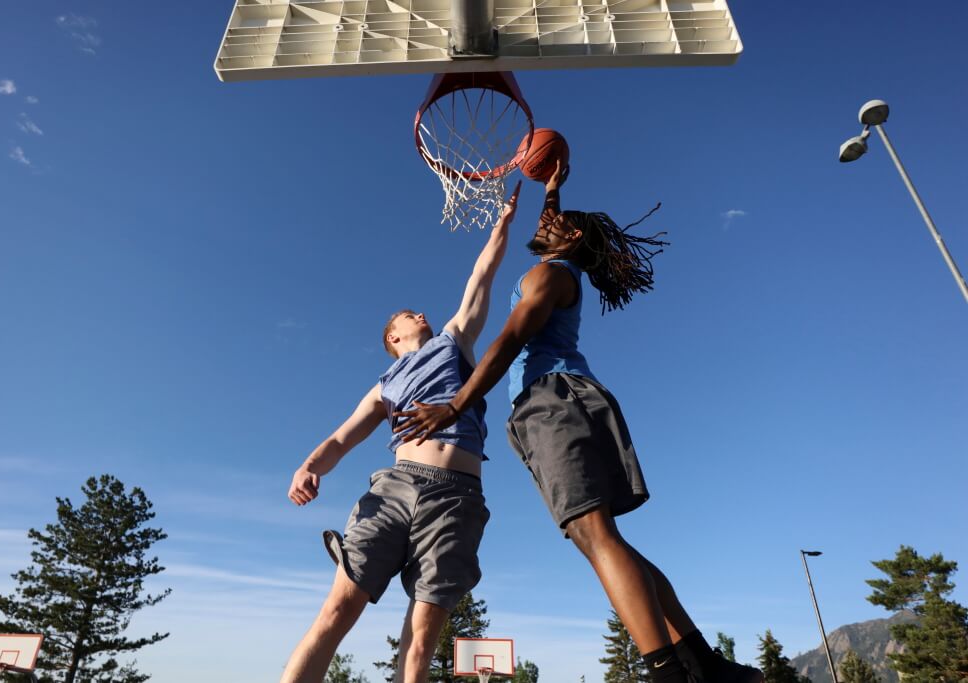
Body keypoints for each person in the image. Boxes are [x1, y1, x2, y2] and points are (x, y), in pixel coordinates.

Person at [394, 162, 763, 683]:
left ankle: (667, 672)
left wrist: (455, 406)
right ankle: (706, 664)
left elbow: (509, 340)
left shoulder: (549, 276)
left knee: (595, 534)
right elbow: (553, 231)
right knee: (602, 538)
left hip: (555, 401)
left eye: (556, 220)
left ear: (569, 237)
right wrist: (551, 187)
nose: (544, 223)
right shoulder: (557, 266)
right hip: (563, 401)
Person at [279, 182, 521, 683]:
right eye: (409, 315)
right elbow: (343, 438)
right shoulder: (384, 384)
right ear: (393, 337)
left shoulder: (455, 340)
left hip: (456, 496)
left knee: (420, 647)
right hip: (394, 487)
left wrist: (501, 226)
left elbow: (481, 278)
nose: (421, 313)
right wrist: (309, 466)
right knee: (336, 612)